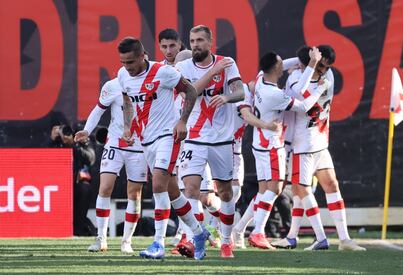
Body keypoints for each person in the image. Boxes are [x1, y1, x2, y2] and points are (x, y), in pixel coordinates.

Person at [118, 37, 210, 260]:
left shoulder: (163, 72)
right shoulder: (123, 76)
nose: (126, 67)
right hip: (146, 140)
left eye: (130, 62)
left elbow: (190, 91)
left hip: (168, 136)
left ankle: (158, 243)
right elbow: (128, 101)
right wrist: (128, 127)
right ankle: (199, 233)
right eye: (123, 62)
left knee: (158, 184)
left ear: (142, 56)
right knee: (172, 191)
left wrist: (182, 121)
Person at [273, 45, 366, 251]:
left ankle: (344, 239)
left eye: (327, 66)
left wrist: (312, 64)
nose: (325, 70)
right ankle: (320, 237)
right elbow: (299, 96)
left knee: (330, 186)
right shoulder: (296, 78)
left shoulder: (326, 74)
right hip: (301, 144)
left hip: (320, 142)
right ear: (310, 63)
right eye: (320, 65)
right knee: (301, 191)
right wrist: (308, 64)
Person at [247, 49, 329, 250]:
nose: (283, 64)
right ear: (276, 68)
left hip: (259, 144)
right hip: (272, 145)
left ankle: (241, 230)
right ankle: (258, 231)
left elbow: (282, 63)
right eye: (280, 63)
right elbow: (303, 107)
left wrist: (307, 60)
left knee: (265, 190)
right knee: (275, 188)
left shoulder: (260, 78)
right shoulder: (274, 94)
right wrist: (319, 88)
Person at [175, 25, 245, 258]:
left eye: (200, 40)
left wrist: (226, 96)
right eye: (192, 40)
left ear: (210, 42)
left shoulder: (227, 63)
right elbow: (191, 92)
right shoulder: (183, 67)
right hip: (194, 138)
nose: (195, 45)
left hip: (222, 140)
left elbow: (240, 92)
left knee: (225, 193)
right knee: (191, 189)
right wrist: (213, 72)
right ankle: (196, 236)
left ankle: (226, 241)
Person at [74, 77, 147, 253]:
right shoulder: (113, 85)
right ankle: (101, 239)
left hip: (139, 145)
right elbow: (99, 110)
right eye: (126, 63)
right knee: (105, 187)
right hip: (114, 142)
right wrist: (87, 130)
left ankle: (126, 242)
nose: (130, 67)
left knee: (134, 194)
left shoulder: (152, 83)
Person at [49, 123, 96, 236]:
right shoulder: (56, 143)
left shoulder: (80, 141)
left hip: (75, 183)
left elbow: (91, 158)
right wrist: (53, 141)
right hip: (56, 184)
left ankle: (78, 230)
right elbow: (43, 158)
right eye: (62, 131)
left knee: (84, 189)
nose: (65, 134)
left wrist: (73, 145)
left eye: (67, 131)